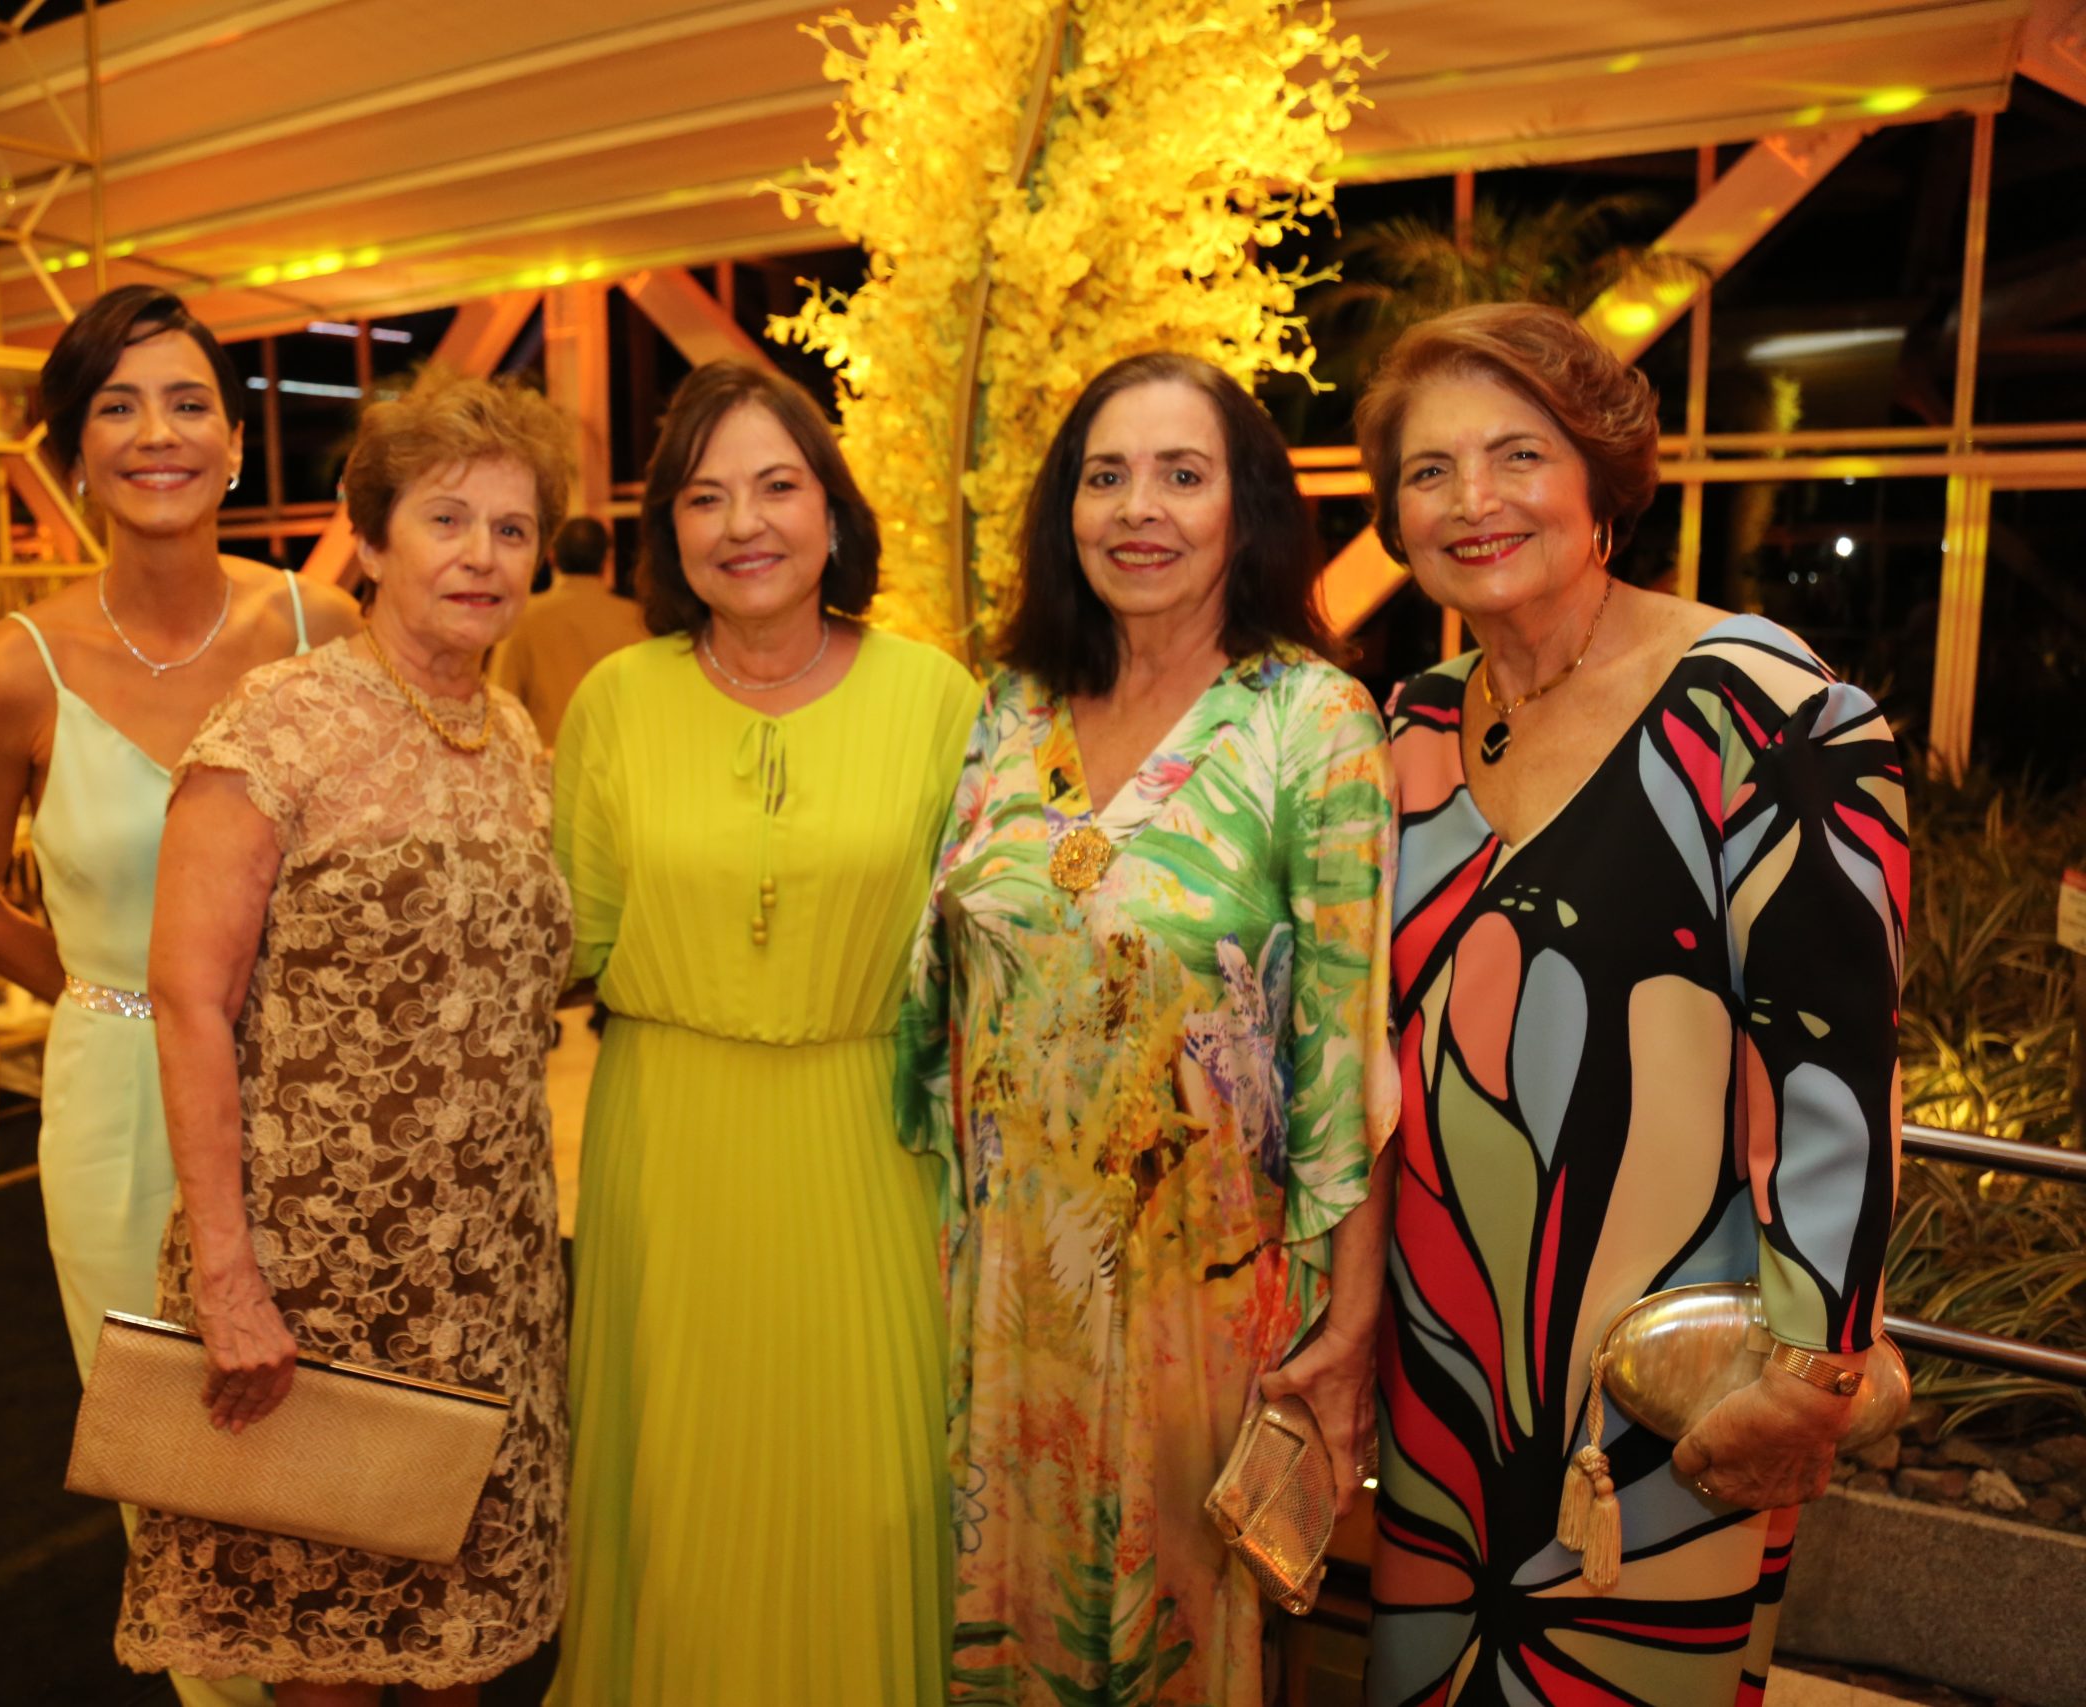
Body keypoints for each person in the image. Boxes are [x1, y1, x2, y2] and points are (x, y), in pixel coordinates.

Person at [1357, 303, 1905, 1705]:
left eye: (1517, 454)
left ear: (1601, 479)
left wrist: (1815, 1368)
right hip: (1443, 1369)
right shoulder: (1410, 727)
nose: (1472, 500)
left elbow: (1834, 1066)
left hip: (1672, 1379)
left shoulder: (1764, 710)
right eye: (1429, 471)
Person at [900, 351, 1400, 1707]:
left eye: (1183, 475)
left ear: (1246, 507)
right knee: (1002, 1617)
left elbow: (1348, 1051)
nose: (1140, 509)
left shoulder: (1313, 723)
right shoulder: (1007, 709)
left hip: (1209, 1299)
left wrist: (1349, 1329)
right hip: (1002, 1288)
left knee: (1178, 1633)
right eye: (1106, 476)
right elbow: (940, 1007)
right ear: (1065, 509)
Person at [0, 285, 358, 1707]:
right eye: (116, 406)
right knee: (185, 1469)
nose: (155, 433)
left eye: (186, 402)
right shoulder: (14, 669)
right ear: (73, 455)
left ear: (233, 443)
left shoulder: (325, 627)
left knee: (346, 1441)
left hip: (315, 1089)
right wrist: (118, 1000)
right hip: (118, 1115)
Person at [116, 371, 576, 1705]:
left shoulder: (517, 738)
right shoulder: (277, 724)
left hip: (485, 1281)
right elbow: (188, 999)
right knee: (324, 1661)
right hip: (314, 1284)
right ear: (369, 541)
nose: (481, 555)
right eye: (446, 519)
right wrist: (228, 1277)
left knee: (458, 1658)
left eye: (511, 528)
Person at [546, 360, 982, 1707]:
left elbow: (985, 949)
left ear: (832, 513)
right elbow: (568, 938)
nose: (743, 523)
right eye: (704, 495)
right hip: (667, 1140)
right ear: (668, 531)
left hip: (872, 1139)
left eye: (777, 486)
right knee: (680, 1480)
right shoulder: (617, 697)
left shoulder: (938, 697)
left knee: (876, 1482)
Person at [487, 514, 648, 750]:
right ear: (606, 560)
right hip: (617, 761)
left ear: (551, 556)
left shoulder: (522, 617)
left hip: (545, 762)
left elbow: (499, 703)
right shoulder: (637, 620)